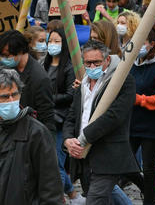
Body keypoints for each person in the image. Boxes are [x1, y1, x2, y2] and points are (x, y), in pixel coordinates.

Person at [63, 40, 139, 203]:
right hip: (83, 157)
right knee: (105, 197)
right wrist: (68, 140)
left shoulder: (123, 81)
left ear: (107, 60)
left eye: (96, 62)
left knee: (95, 199)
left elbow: (114, 116)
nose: (92, 67)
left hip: (108, 155)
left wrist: (83, 138)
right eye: (88, 63)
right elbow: (72, 116)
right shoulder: (82, 83)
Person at [0, 68, 63, 204]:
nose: (11, 100)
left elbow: (50, 186)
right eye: (5, 97)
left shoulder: (36, 133)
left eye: (15, 94)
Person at [129, 29, 155, 205]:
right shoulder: (131, 63)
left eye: (143, 42)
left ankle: (149, 201)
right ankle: (151, 191)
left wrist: (140, 100)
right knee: (125, 163)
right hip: (132, 122)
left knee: (148, 167)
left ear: (151, 44)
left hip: (152, 124)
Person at [43, 28, 85, 203]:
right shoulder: (42, 64)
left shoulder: (69, 67)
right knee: (52, 162)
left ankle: (60, 198)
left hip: (61, 120)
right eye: (50, 41)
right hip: (45, 118)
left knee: (55, 163)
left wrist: (46, 98)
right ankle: (73, 195)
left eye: (57, 41)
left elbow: (69, 95)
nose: (52, 45)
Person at [0, 30, 55, 132]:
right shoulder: (7, 68)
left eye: (7, 56)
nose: (3, 59)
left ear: (20, 51)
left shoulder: (40, 78)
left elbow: (46, 116)